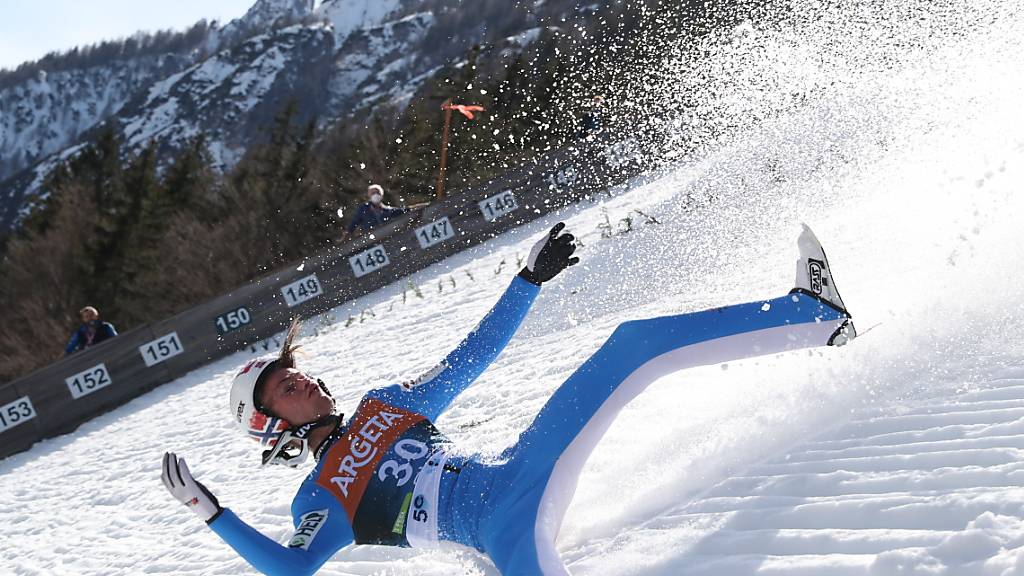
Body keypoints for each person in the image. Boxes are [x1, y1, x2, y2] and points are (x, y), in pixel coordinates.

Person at [162, 224, 855, 575]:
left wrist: (526, 281)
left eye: (300, 374)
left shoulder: (382, 405)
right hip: (502, 537)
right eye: (288, 388)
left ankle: (813, 315)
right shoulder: (316, 501)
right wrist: (211, 511)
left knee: (631, 345)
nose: (306, 382)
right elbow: (292, 568)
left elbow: (470, 359)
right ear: (271, 426)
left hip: (522, 471)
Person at [341, 184, 428, 241]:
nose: (375, 195)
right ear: (368, 195)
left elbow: (405, 210)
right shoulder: (363, 209)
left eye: (377, 192)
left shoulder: (387, 210)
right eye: (372, 193)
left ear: (381, 194)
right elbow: (353, 225)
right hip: (371, 241)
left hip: (388, 238)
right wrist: (344, 239)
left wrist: (425, 205)